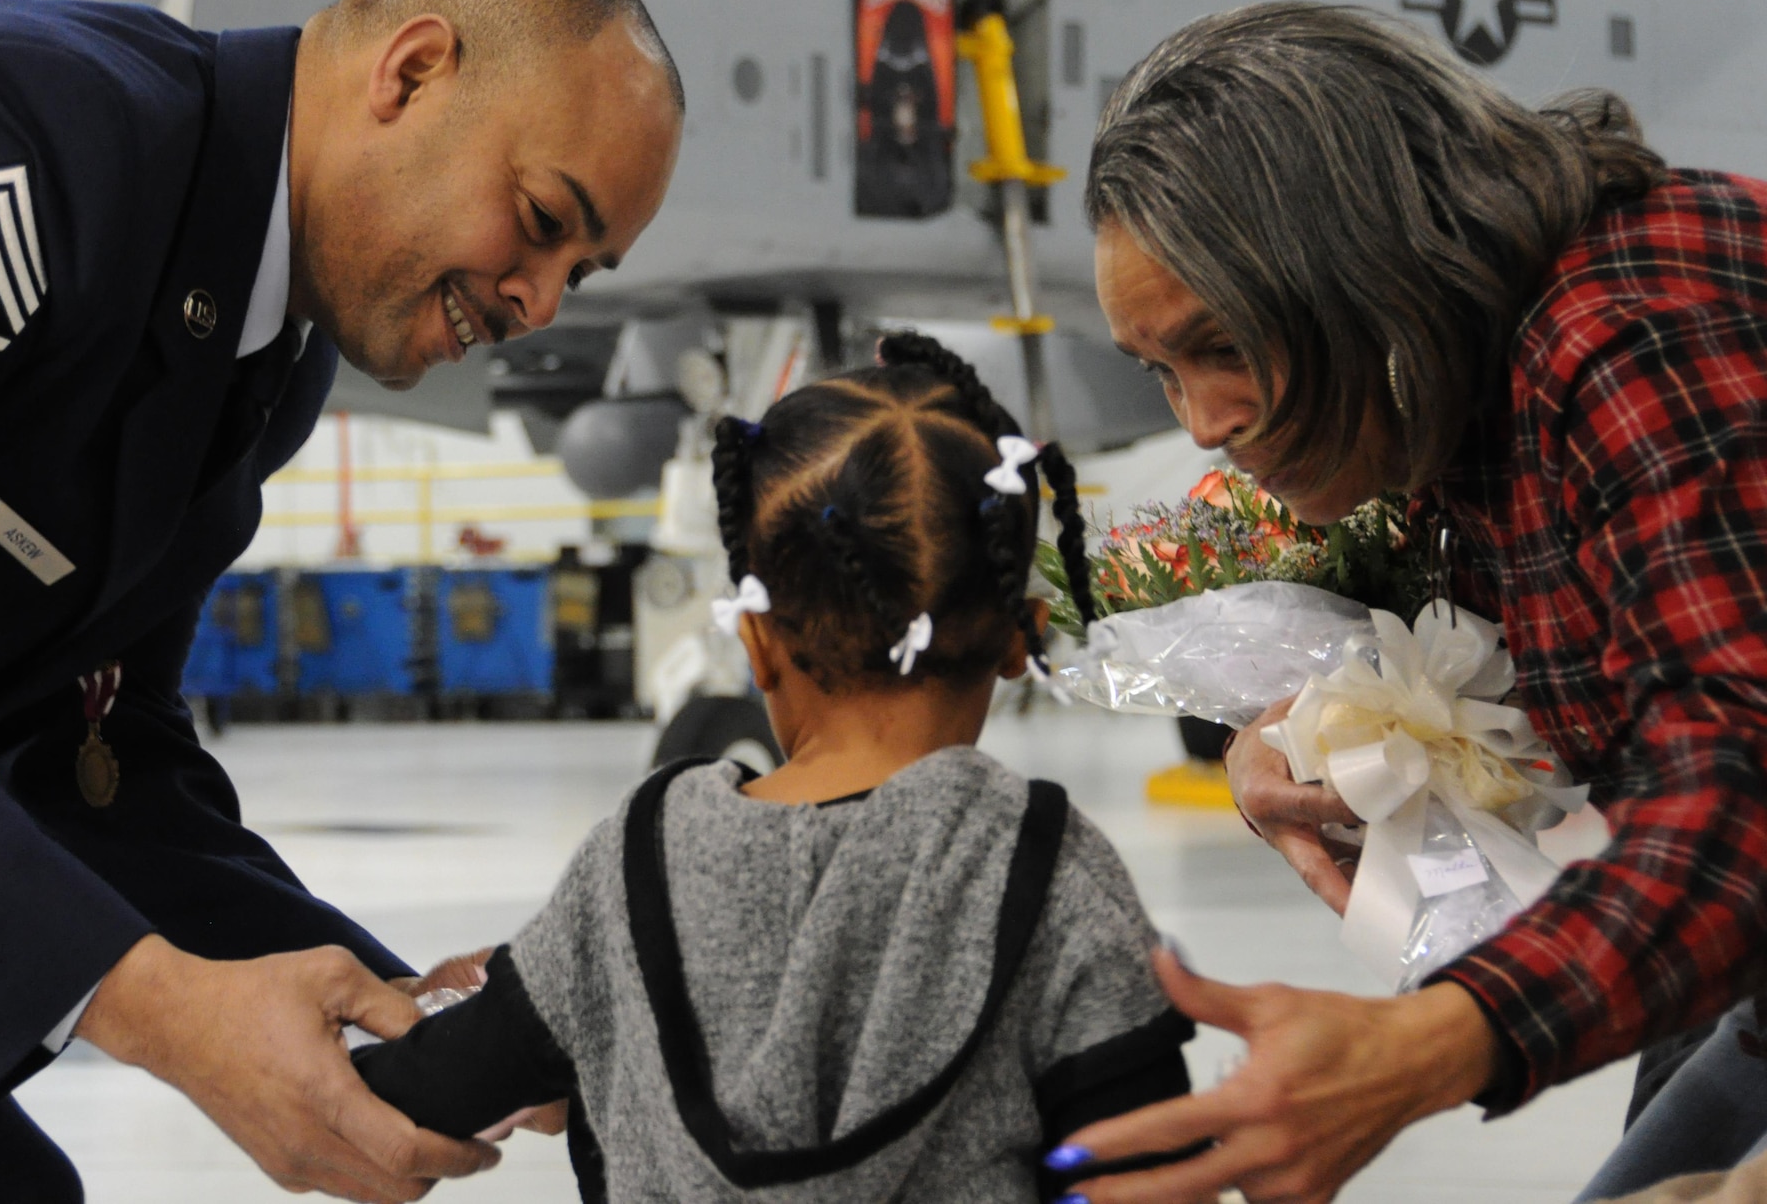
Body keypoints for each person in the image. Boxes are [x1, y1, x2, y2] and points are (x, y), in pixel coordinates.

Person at [0, 0, 682, 1203]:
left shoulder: (265, 356)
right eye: (537, 221)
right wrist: (161, 1007)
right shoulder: (14, 153)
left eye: (577, 273)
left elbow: (92, 756)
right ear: (410, 73)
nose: (537, 303)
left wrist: (401, 1011)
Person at [1044, 3, 1767, 1203]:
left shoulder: (1619, 329)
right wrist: (1327, 730)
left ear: (1359, 267)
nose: (1203, 425)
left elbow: (1742, 773)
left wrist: (1424, 1048)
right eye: (1161, 370)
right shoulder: (1460, 389)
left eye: (1221, 344)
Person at [350, 332, 1200, 1201]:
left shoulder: (629, 871)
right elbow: (1150, 1173)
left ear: (756, 643)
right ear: (1023, 635)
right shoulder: (1057, 876)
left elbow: (422, 1089)